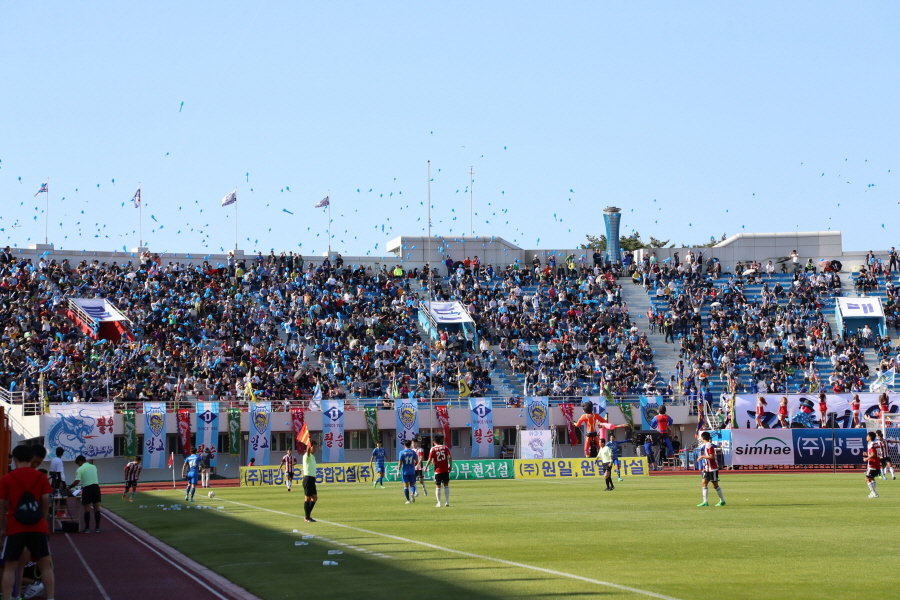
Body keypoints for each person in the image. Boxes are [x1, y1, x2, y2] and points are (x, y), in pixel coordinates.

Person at [0, 445, 55, 600]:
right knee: (45, 566)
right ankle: (50, 598)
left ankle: (8, 597)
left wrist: (2, 528)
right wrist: (42, 521)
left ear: (15, 459)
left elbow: (2, 504)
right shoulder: (41, 477)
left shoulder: (7, 478)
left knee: (10, 567)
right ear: (32, 458)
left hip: (15, 527)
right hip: (37, 527)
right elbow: (46, 502)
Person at [70, 455, 101, 532]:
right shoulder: (94, 466)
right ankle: (97, 528)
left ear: (80, 462)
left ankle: (87, 528)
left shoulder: (80, 468)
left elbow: (77, 481)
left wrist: (70, 487)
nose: (78, 465)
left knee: (87, 510)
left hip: (87, 489)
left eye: (78, 464)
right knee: (97, 509)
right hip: (96, 488)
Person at [697, 431, 726, 507]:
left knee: (715, 485)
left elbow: (712, 456)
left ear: (703, 438)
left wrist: (702, 456)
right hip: (707, 468)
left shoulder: (709, 445)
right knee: (704, 483)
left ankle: (722, 500)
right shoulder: (706, 445)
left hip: (712, 469)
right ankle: (705, 502)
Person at [423, 434, 452, 508]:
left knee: (438, 487)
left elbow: (429, 459)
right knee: (446, 485)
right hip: (445, 469)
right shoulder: (445, 447)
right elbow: (450, 457)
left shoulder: (433, 449)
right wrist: (450, 466)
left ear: (433, 442)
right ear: (440, 441)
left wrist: (426, 466)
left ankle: (439, 503)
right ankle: (447, 501)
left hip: (438, 470)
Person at [302, 439, 318, 522]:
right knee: (307, 498)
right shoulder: (307, 456)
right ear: (309, 447)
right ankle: (306, 517)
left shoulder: (313, 456)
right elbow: (308, 451)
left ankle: (308, 516)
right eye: (313, 447)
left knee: (314, 498)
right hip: (307, 478)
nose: (315, 448)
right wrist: (308, 442)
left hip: (312, 479)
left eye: (316, 447)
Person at [399, 440, 418, 504]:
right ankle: (412, 493)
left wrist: (398, 470)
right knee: (412, 484)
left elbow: (400, 463)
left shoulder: (402, 452)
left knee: (405, 486)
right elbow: (416, 461)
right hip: (412, 471)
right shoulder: (413, 452)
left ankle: (408, 500)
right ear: (410, 445)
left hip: (405, 472)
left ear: (404, 445)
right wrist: (414, 466)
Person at [864, 432, 881, 498]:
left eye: (867, 436)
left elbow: (873, 454)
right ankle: (872, 493)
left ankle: (874, 493)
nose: (866, 437)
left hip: (872, 464)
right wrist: (868, 454)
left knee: (867, 478)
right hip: (877, 463)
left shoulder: (871, 444)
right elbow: (876, 453)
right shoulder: (876, 443)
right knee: (872, 478)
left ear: (870, 437)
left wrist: (866, 458)